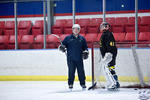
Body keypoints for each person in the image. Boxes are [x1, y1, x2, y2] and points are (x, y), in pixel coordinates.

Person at [58, 24, 89, 90]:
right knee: (71, 72)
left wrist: (86, 52)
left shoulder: (82, 38)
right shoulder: (68, 38)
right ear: (72, 30)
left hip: (79, 58)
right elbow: (62, 46)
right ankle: (70, 84)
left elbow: (85, 48)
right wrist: (62, 48)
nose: (76, 30)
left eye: (77, 29)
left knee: (81, 72)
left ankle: (83, 84)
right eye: (74, 29)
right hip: (70, 58)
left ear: (79, 30)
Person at [99, 22, 120, 90]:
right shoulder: (104, 34)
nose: (102, 27)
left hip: (109, 55)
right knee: (110, 69)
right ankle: (114, 83)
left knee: (108, 69)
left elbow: (111, 45)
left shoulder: (108, 34)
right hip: (107, 55)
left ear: (107, 27)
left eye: (103, 26)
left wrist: (109, 54)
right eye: (101, 26)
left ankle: (113, 83)